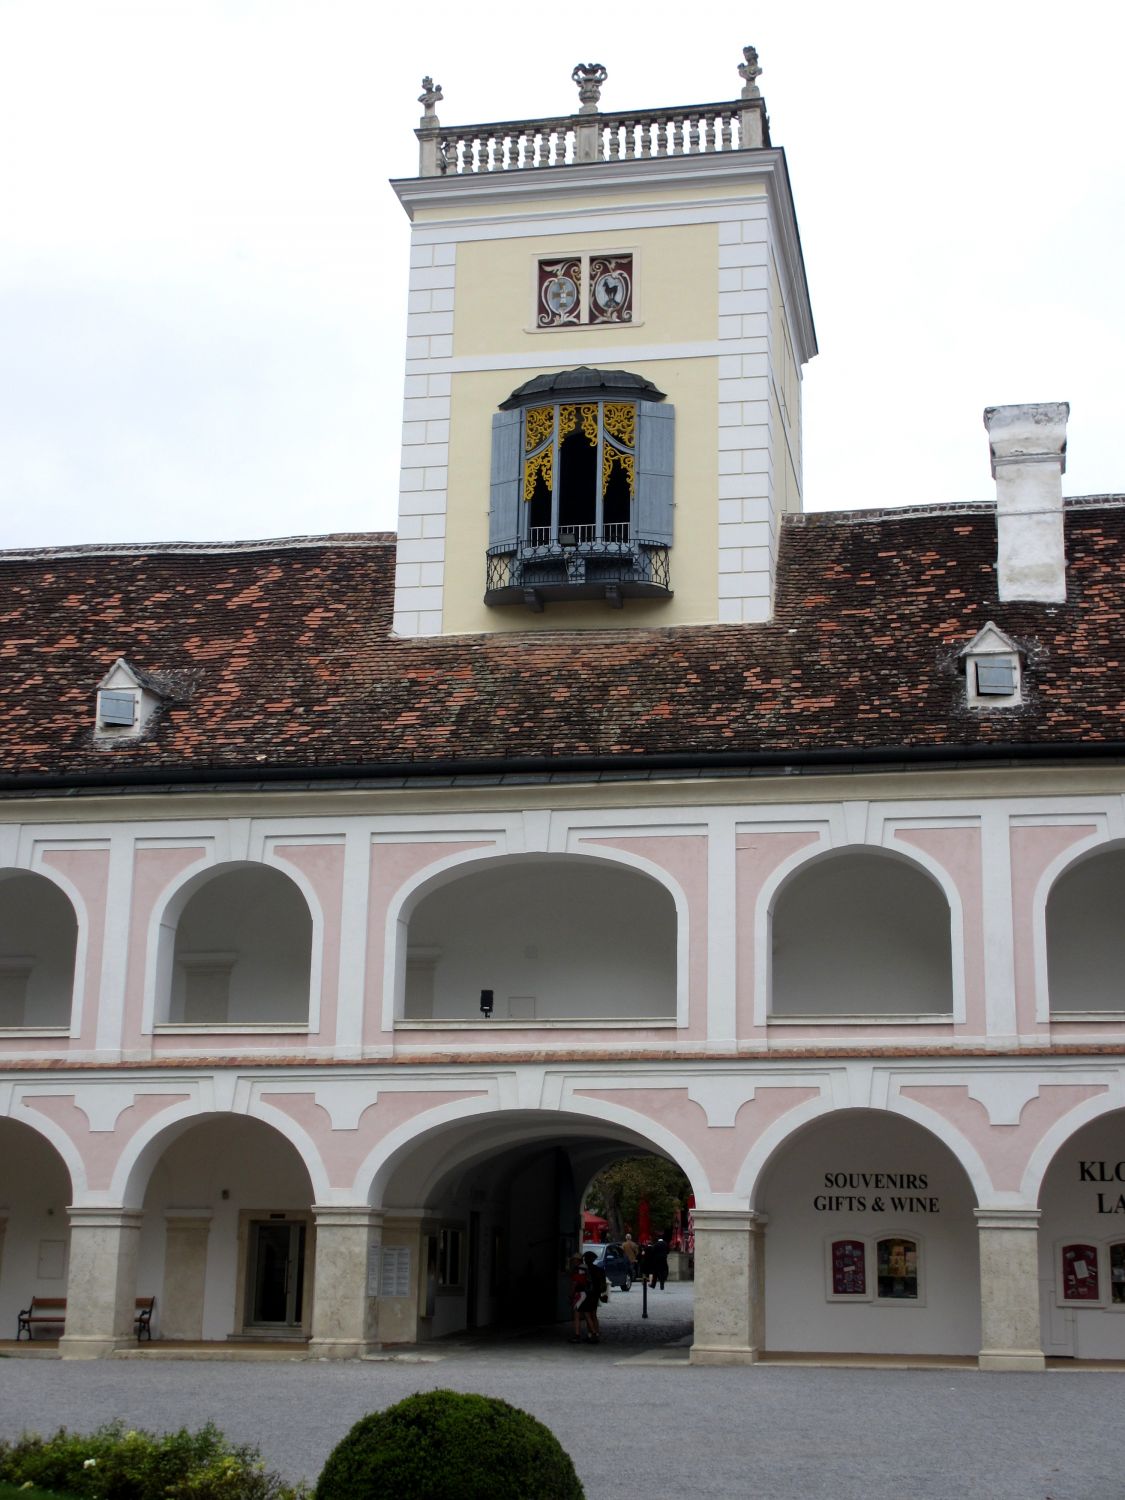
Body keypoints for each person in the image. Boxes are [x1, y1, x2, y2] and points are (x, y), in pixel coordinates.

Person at [581, 1250, 607, 1342]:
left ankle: (593, 1333)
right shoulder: (599, 1270)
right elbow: (603, 1284)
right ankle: (594, 1333)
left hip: (587, 1294)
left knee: (586, 1314)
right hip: (596, 1294)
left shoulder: (584, 1270)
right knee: (594, 1314)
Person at [567, 1253, 588, 1342]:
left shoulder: (578, 1269)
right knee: (587, 1315)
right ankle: (592, 1333)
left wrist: (571, 1294)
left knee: (577, 1315)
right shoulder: (585, 1267)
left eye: (574, 1260)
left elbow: (575, 1283)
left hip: (580, 1293)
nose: (573, 1261)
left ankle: (577, 1334)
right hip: (585, 1293)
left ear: (577, 1260)